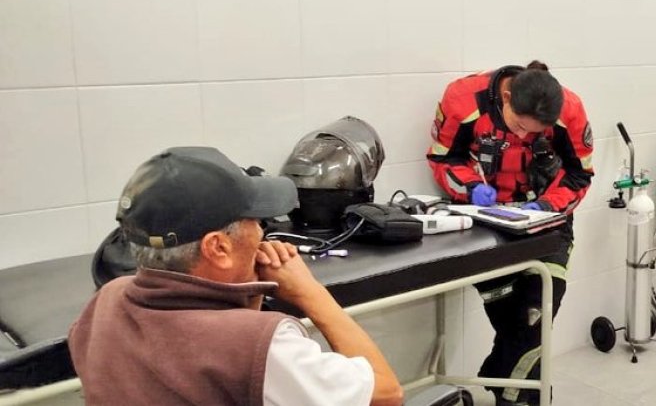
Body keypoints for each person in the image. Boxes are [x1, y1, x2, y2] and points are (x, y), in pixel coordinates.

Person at [68, 146, 404, 406]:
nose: (262, 232)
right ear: (218, 248)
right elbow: (386, 393)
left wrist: (246, 293)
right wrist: (309, 293)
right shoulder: (265, 345)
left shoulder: (107, 301)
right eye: (256, 221)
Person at [427, 61, 593, 406]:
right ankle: (520, 394)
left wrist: (548, 205)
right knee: (513, 321)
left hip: (548, 221)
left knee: (537, 313)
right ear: (505, 96)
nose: (521, 137)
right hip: (486, 222)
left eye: (533, 133)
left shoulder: (570, 110)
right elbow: (443, 159)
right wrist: (471, 187)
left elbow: (580, 174)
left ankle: (508, 388)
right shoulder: (463, 100)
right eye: (517, 125)